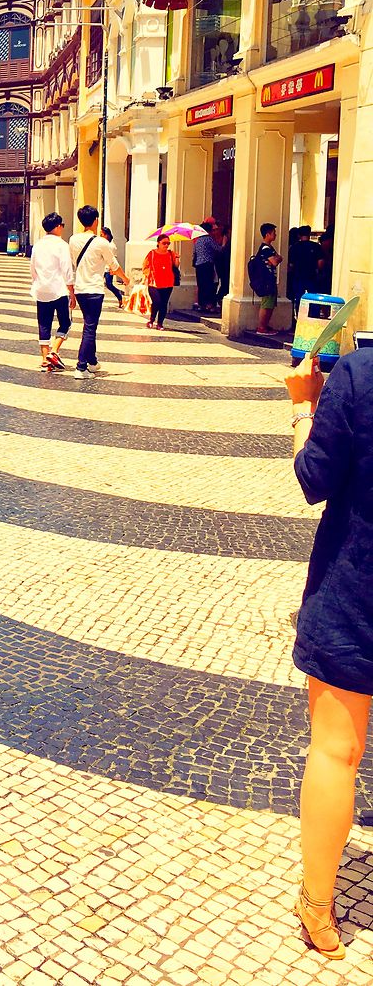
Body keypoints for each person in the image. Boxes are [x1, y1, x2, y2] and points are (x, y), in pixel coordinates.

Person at [283, 347, 373, 960]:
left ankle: (318, 905)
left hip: (357, 584)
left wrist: (302, 405)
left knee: (336, 751)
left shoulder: (361, 376)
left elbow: (313, 477)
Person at [69, 205, 128, 381]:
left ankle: (92, 361)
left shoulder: (73, 240)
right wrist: (126, 280)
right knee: (90, 328)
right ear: (96, 220)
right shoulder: (102, 242)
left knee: (89, 324)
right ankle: (81, 366)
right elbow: (114, 266)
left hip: (80, 288)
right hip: (94, 289)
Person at [30, 212, 75, 373]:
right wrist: (72, 291)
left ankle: (44, 360)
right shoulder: (61, 245)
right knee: (66, 322)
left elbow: (32, 268)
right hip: (59, 290)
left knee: (44, 323)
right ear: (57, 227)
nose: (63, 228)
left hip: (41, 290)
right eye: (62, 225)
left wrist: (38, 282)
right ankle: (54, 351)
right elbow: (67, 270)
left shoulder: (38, 245)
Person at [249, 221, 282, 334]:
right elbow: (275, 261)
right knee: (267, 303)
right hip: (266, 279)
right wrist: (277, 258)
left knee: (270, 303)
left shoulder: (269, 248)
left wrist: (277, 258)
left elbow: (277, 258)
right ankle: (262, 327)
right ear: (267, 234)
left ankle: (265, 325)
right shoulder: (265, 249)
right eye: (274, 232)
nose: (275, 235)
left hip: (270, 279)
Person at [142, 234, 180, 330]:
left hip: (168, 282)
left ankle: (160, 323)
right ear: (158, 243)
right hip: (154, 283)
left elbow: (176, 266)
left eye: (168, 243)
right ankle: (151, 320)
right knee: (156, 302)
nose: (166, 245)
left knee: (164, 303)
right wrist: (148, 276)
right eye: (164, 243)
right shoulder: (152, 253)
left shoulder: (171, 254)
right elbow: (145, 266)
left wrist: (177, 258)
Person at [289, 226, 324, 322]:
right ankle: (314, 318)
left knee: (298, 298)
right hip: (312, 276)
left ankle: (300, 320)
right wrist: (317, 270)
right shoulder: (316, 246)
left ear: (299, 235)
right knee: (314, 298)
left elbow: (291, 265)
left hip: (298, 276)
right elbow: (320, 263)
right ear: (309, 234)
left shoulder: (294, 248)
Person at [192, 222, 220, 314]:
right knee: (209, 285)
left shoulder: (198, 240)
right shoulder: (208, 239)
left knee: (201, 285)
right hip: (207, 264)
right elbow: (218, 249)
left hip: (199, 265)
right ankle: (209, 305)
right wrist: (223, 244)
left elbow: (195, 253)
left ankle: (202, 304)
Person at [102, 228, 124, 307]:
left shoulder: (111, 246)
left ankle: (119, 296)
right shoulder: (104, 244)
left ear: (106, 235)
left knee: (109, 284)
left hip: (108, 268)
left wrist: (112, 269)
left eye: (102, 235)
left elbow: (113, 258)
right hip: (102, 268)